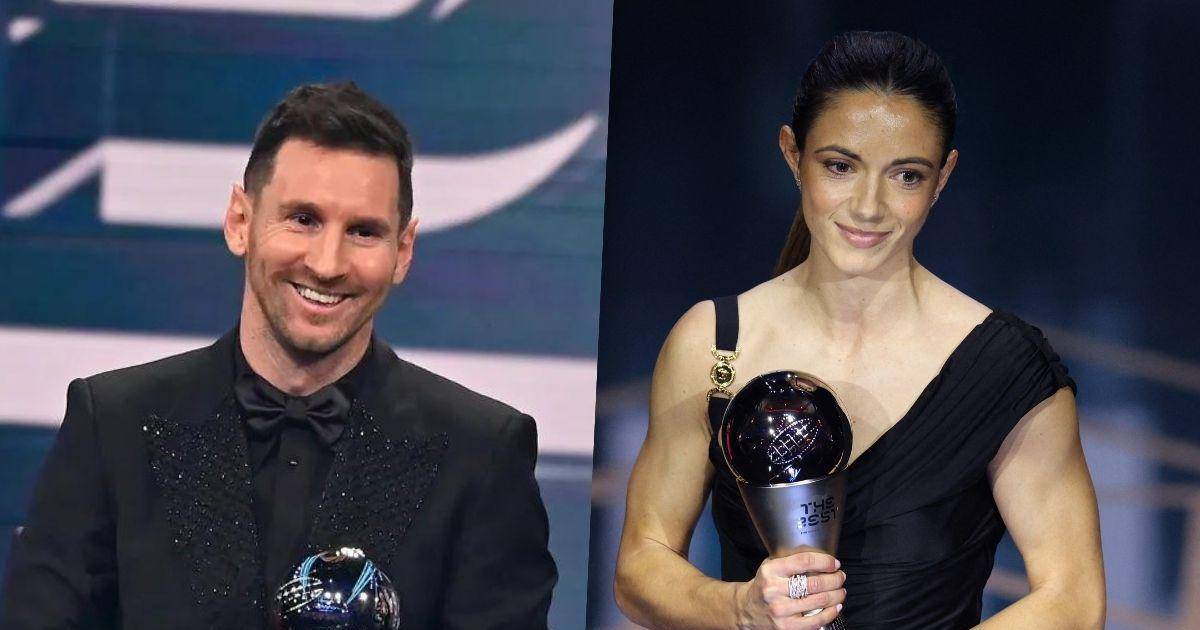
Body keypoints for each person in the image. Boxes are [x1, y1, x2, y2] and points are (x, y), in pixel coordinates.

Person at [0, 82, 557, 629]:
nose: (327, 263)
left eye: (363, 231)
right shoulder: (113, 424)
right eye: (303, 219)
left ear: (403, 251)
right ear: (240, 222)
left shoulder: (481, 453)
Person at [614, 31, 1105, 629]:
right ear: (792, 154)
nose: (869, 206)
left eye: (906, 176)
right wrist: (740, 609)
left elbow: (1072, 597)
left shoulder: (1007, 369)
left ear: (943, 177)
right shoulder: (715, 343)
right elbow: (641, 564)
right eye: (841, 166)